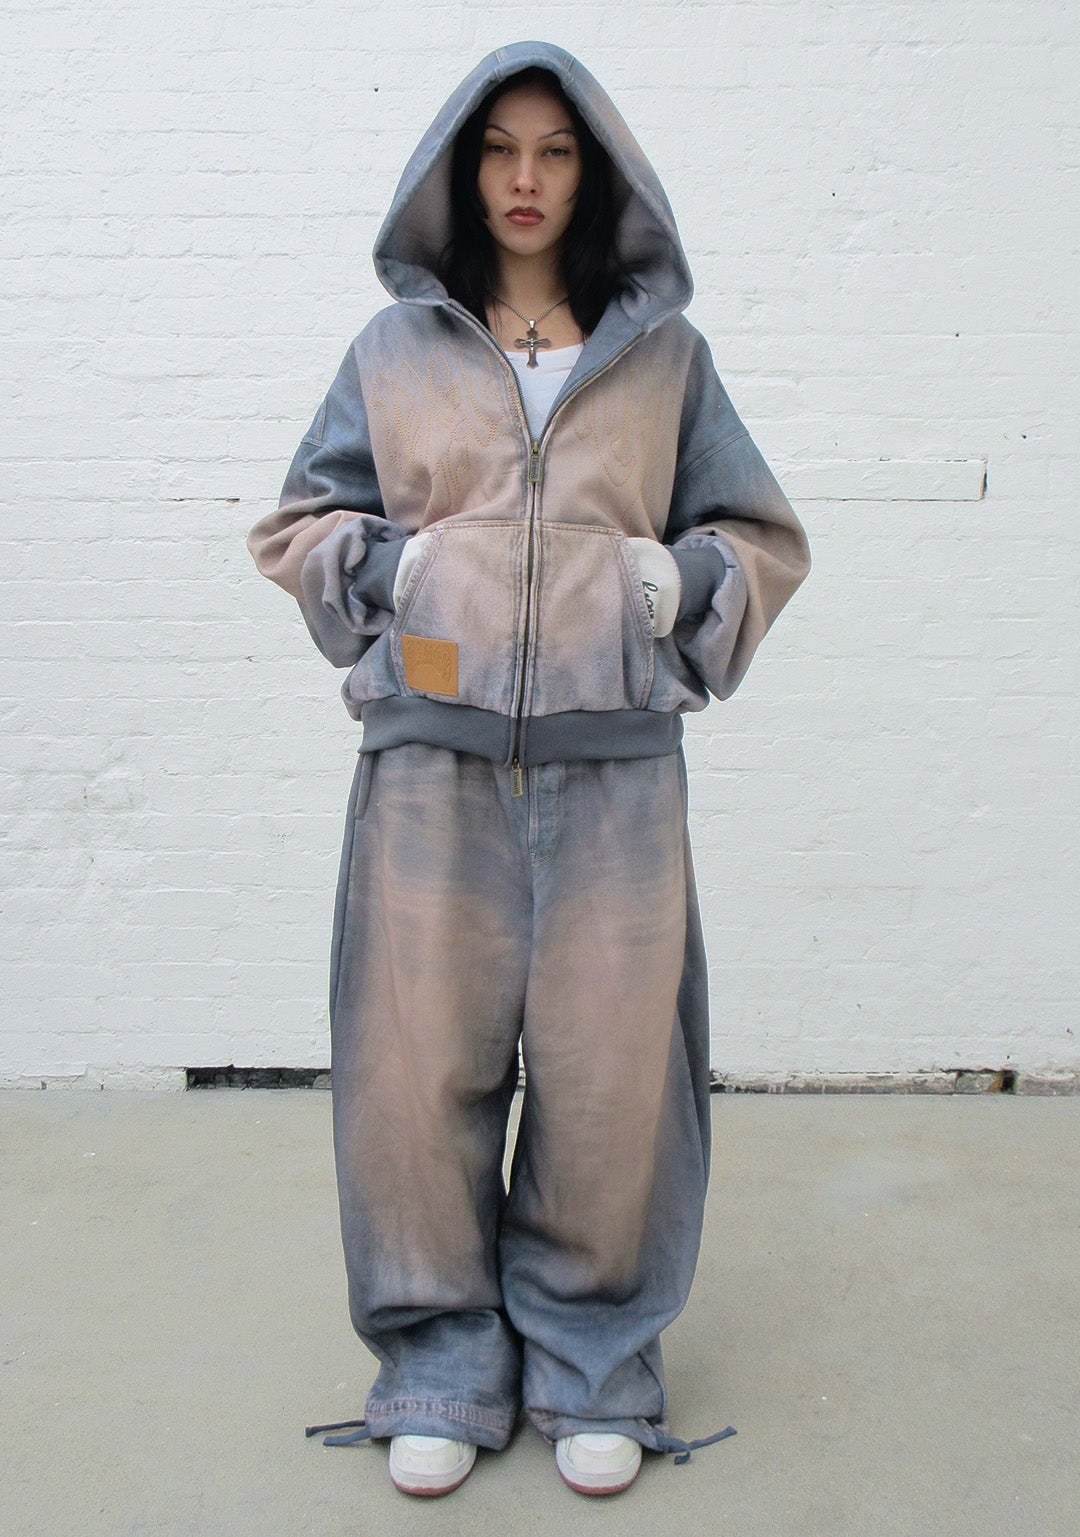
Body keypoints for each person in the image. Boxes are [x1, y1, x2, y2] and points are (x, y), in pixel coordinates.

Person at [247, 40, 810, 1498]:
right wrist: (397, 566)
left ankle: (593, 1361)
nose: (524, 179)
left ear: (594, 175)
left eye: (556, 151)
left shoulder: (666, 360)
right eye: (499, 148)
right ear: (460, 168)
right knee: (411, 1072)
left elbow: (759, 535)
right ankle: (437, 1362)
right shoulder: (393, 355)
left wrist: (678, 582)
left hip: (616, 783)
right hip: (428, 773)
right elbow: (300, 523)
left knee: (614, 1086)